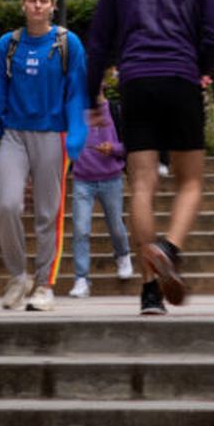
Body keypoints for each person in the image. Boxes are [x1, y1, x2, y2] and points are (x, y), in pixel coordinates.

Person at [87, 0, 214, 316]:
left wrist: (89, 94)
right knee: (190, 181)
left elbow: (98, 45)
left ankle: (150, 291)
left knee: (143, 183)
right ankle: (169, 246)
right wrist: (201, 68)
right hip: (180, 80)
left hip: (136, 84)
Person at [0, 0, 89, 313]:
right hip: (13, 134)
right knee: (7, 204)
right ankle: (17, 275)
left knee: (47, 212)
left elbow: (77, 91)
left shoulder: (69, 44)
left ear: (53, 6)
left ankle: (43, 285)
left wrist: (77, 136)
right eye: (32, 0)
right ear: (23, 5)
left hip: (53, 134)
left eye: (44, 1)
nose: (38, 6)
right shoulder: (7, 45)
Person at [68, 91, 135, 297]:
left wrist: (113, 148)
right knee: (80, 229)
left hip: (111, 178)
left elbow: (130, 144)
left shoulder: (115, 111)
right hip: (82, 180)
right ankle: (81, 279)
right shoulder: (76, 111)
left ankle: (123, 255)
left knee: (116, 224)